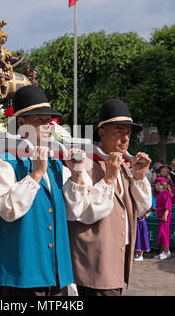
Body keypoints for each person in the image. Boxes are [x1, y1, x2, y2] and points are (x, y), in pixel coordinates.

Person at [0, 86, 110, 296]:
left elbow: (75, 212)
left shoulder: (57, 165)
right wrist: (36, 174)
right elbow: (8, 210)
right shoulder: (3, 163)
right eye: (39, 120)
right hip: (20, 275)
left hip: (56, 273)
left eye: (48, 120)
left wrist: (77, 174)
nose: (47, 125)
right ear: (21, 123)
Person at [67, 98, 152, 296]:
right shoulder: (85, 163)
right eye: (119, 131)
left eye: (128, 133)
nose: (125, 138)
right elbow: (82, 213)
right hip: (93, 264)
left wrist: (139, 179)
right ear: (102, 133)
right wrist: (108, 179)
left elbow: (141, 210)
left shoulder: (124, 165)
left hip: (117, 262)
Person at [0, 20, 22, 97]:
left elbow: (10, 57)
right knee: (1, 78)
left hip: (4, 69)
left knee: (7, 76)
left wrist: (17, 58)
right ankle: (3, 93)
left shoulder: (5, 49)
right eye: (4, 37)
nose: (5, 39)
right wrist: (5, 64)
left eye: (6, 38)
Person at [153, 177, 173, 260]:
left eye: (155, 185)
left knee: (164, 234)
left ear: (158, 184)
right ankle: (162, 252)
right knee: (161, 235)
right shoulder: (161, 193)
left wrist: (165, 214)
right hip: (161, 218)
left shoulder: (166, 193)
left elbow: (168, 205)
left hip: (165, 218)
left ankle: (167, 252)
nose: (155, 187)